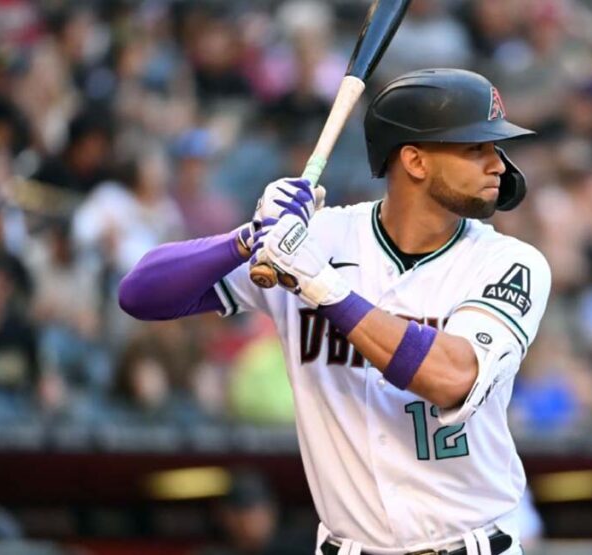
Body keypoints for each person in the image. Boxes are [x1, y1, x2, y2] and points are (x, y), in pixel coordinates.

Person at [119, 68, 551, 555]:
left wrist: (323, 285)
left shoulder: (509, 263)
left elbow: (450, 376)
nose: (498, 163)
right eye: (477, 148)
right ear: (414, 160)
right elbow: (140, 294)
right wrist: (246, 238)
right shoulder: (318, 240)